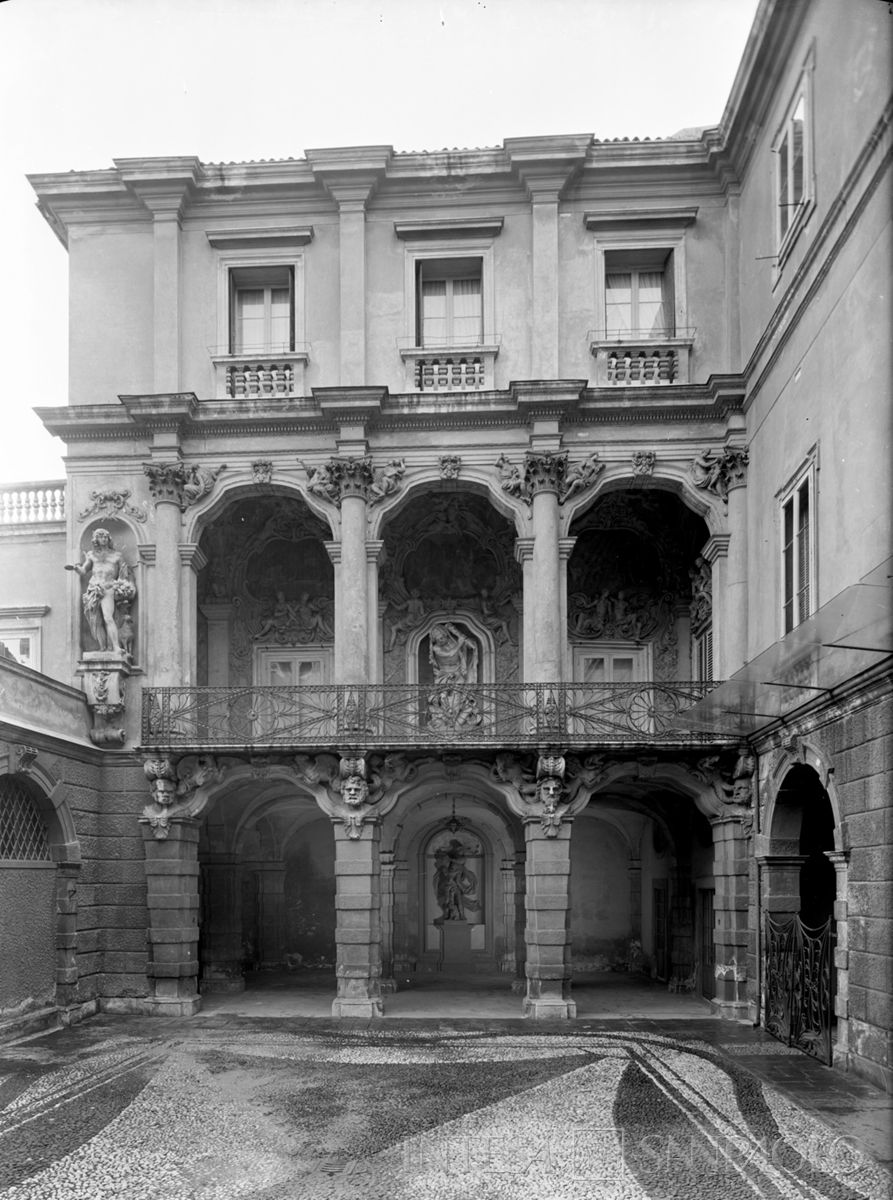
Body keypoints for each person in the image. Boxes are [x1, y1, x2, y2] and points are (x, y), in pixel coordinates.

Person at [65, 528, 134, 653]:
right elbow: (83, 571)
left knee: (108, 617)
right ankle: (103, 648)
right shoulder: (91, 555)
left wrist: (122, 586)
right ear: (96, 540)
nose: (104, 539)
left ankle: (115, 647)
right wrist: (76, 568)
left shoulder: (117, 555)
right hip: (94, 589)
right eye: (101, 537)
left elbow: (123, 574)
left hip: (108, 588)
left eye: (105, 537)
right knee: (96, 621)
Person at [428, 621, 478, 687]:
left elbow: (471, 646)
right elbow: (450, 654)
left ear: (446, 635)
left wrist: (460, 636)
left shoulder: (453, 642)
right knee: (443, 691)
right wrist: (459, 643)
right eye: (437, 640)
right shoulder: (436, 648)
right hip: (444, 674)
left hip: (458, 672)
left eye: (441, 638)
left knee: (459, 689)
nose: (440, 641)